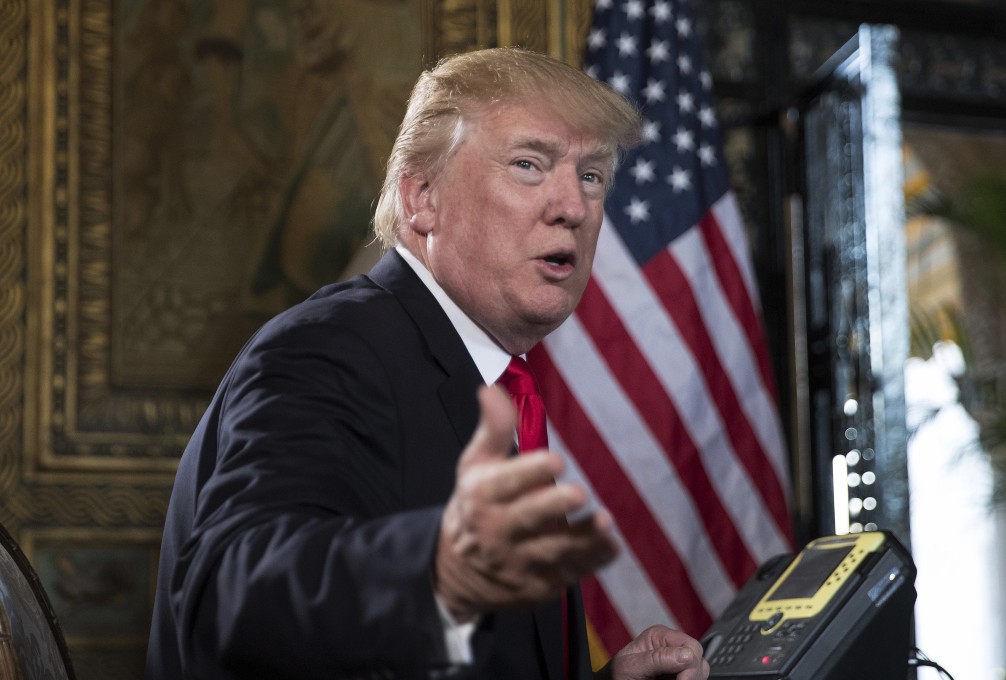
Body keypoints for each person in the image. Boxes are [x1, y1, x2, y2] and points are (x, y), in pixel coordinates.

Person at [145, 47, 710, 680]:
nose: (573, 208)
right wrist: (434, 568)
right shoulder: (333, 349)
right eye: (528, 164)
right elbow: (232, 599)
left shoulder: (481, 378)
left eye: (591, 176)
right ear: (421, 198)